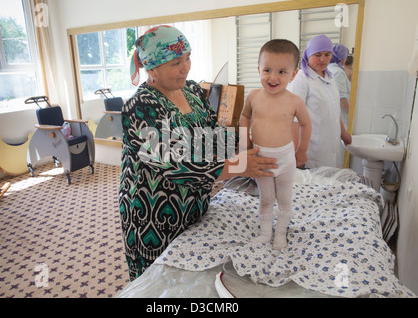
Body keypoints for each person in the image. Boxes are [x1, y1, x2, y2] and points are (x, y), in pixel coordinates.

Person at [119, 25, 278, 280]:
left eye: (188, 58)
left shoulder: (192, 91)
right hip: (154, 211)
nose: (186, 67)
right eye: (175, 63)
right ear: (153, 69)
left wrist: (246, 145)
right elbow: (175, 165)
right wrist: (239, 166)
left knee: (191, 275)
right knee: (160, 279)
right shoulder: (140, 107)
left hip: (194, 203)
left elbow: (212, 133)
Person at [240, 39, 312, 250]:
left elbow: (306, 124)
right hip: (261, 157)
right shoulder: (253, 96)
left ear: (294, 74)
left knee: (284, 197)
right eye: (267, 70)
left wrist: (302, 150)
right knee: (266, 197)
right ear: (259, 69)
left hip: (285, 158)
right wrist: (245, 143)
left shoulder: (294, 101)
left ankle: (281, 233)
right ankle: (265, 232)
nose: (273, 77)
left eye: (282, 72)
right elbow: (244, 116)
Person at [288, 35, 352, 169]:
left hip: (330, 147)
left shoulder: (330, 77)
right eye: (317, 54)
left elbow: (334, 110)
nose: (323, 59)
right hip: (311, 150)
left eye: (327, 54)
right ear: (309, 54)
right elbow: (293, 119)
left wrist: (343, 133)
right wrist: (298, 152)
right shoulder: (301, 79)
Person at [328, 44, 351, 127]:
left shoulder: (328, 68)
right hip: (340, 115)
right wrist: (351, 114)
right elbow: (342, 99)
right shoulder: (338, 72)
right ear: (343, 57)